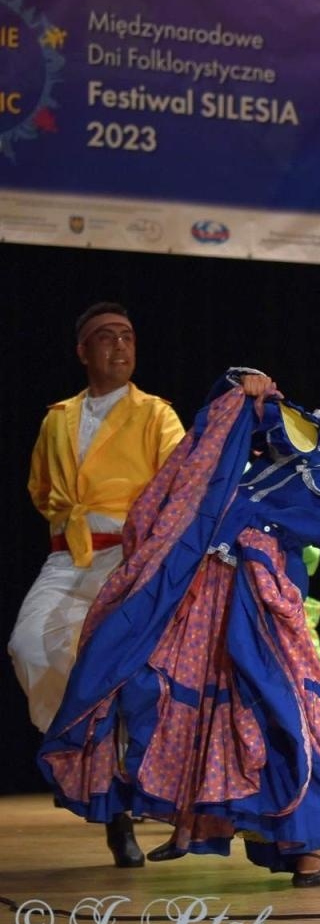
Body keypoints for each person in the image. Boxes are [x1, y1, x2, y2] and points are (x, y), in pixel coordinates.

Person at [37, 368, 320, 886]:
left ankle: (310, 844)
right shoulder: (316, 434)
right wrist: (249, 385)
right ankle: (188, 812)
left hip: (256, 581)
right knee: (153, 677)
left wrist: (254, 522)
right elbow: (253, 416)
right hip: (201, 563)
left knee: (272, 702)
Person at [8, 302, 184, 868]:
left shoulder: (156, 414)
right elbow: (41, 488)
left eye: (128, 337)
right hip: (68, 557)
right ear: (83, 351)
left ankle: (120, 805)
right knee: (29, 646)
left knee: (116, 671)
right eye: (106, 338)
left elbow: (184, 485)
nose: (120, 347)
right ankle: (85, 751)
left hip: (127, 560)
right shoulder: (57, 417)